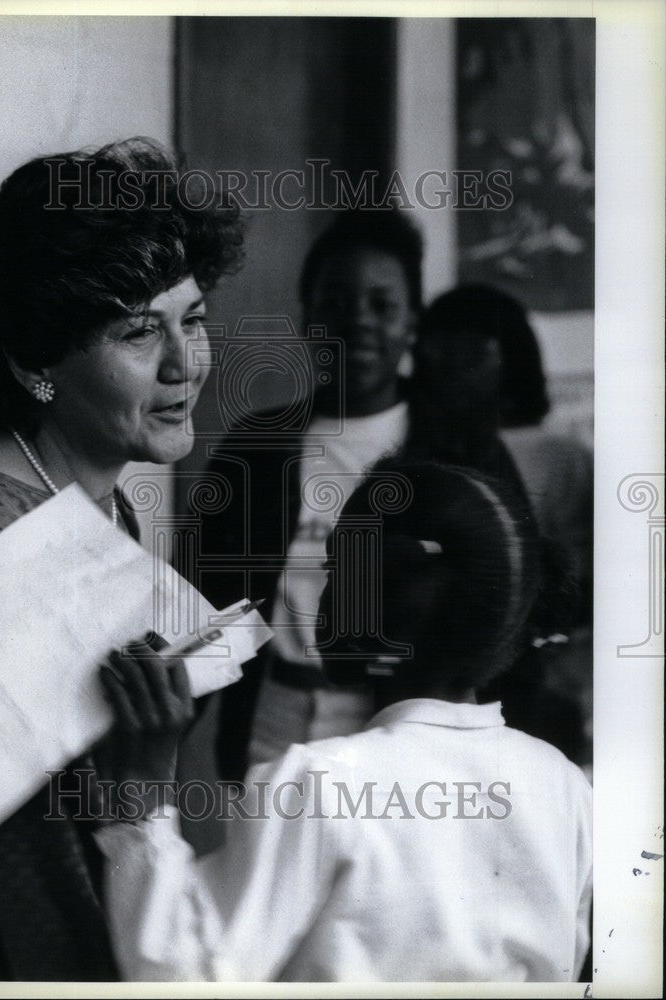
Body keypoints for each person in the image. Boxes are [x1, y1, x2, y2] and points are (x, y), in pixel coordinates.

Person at [0, 137, 244, 981]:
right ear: (37, 365)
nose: (185, 365)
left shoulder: (93, 497)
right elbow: (41, 888)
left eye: (193, 319)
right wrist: (148, 780)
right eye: (140, 332)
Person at [95, 461, 593, 982]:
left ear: (371, 598)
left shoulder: (318, 783)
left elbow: (185, 982)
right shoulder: (563, 784)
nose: (317, 593)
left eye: (332, 570)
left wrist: (142, 801)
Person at [196, 209, 423, 782]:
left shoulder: (451, 444)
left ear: (412, 319)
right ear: (308, 320)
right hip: (274, 719)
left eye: (382, 304)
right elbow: (202, 595)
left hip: (402, 726)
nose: (359, 322)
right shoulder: (257, 444)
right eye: (336, 303)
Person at [413, 285, 592, 768]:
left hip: (540, 679)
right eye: (438, 350)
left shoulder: (559, 457)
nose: (450, 366)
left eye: (472, 352)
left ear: (510, 357)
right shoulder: (425, 448)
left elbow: (583, 581)